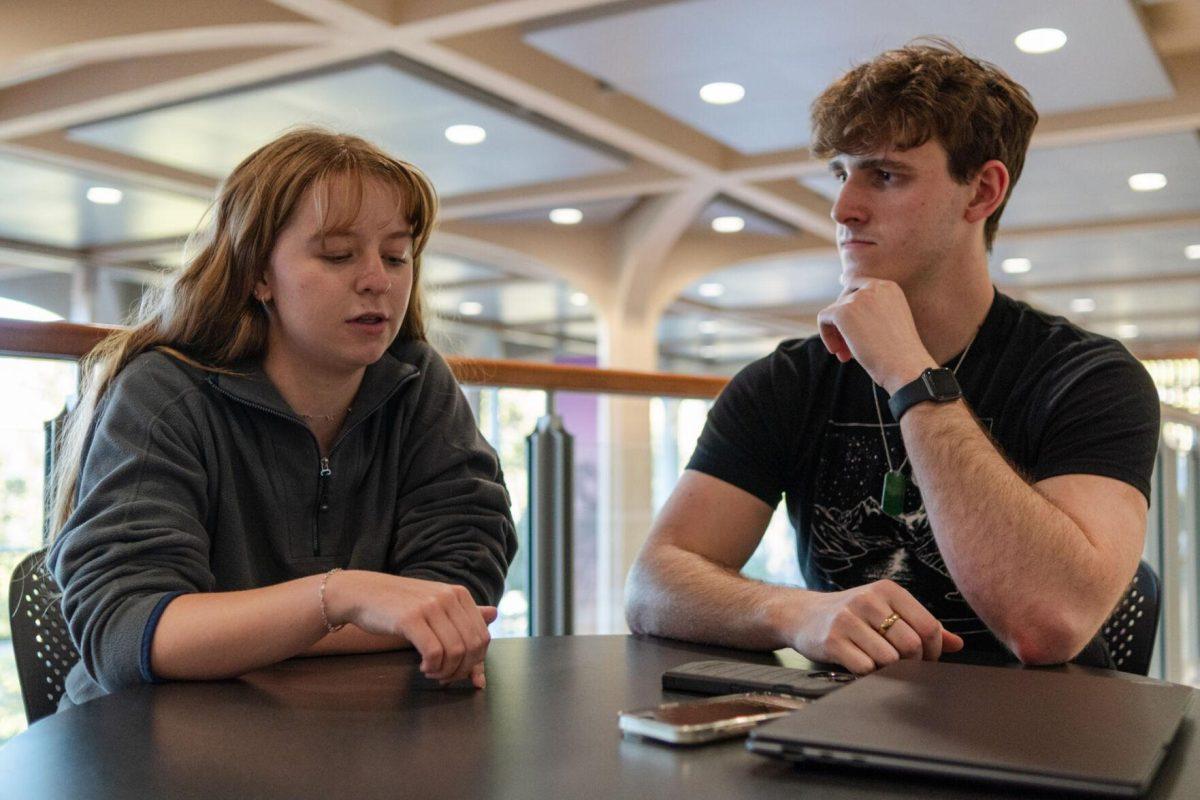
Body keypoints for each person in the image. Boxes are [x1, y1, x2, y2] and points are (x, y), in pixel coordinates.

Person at [625, 41, 1160, 674]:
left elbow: (1049, 625)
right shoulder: (788, 381)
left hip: (1040, 741)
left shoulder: (1089, 377)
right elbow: (653, 584)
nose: (842, 208)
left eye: (884, 175)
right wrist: (794, 612)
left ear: (981, 192)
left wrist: (910, 373)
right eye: (842, 173)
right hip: (852, 731)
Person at [48, 129, 517, 706]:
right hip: (145, 747)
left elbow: (455, 594)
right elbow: (128, 635)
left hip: (348, 733)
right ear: (257, 275)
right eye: (338, 254)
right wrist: (342, 596)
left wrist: (235, 636)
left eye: (397, 255)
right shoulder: (164, 393)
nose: (379, 278)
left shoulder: (418, 384)